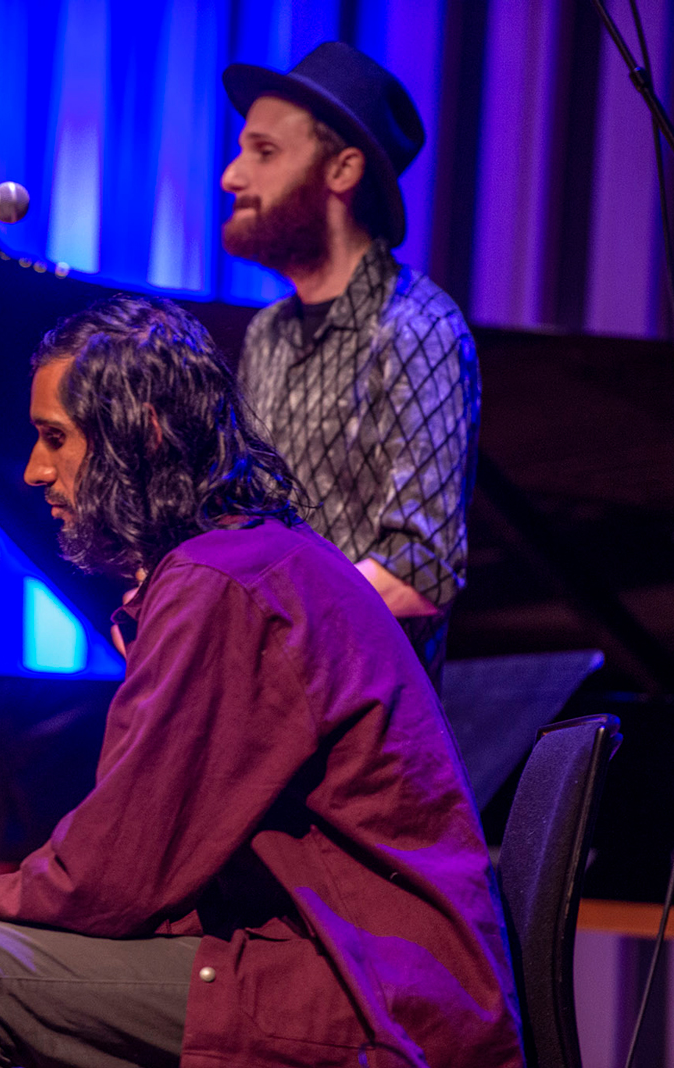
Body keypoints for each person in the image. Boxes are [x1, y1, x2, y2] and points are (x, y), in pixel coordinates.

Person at [0, 297, 523, 1067]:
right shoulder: (244, 564)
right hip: (344, 970)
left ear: (140, 431)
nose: (33, 470)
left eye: (55, 438)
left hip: (368, 994)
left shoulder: (224, 585)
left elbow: (119, 867)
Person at [222, 41, 479, 683]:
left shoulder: (417, 328)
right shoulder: (267, 334)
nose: (232, 175)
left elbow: (420, 571)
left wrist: (263, 617)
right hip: (272, 700)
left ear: (342, 170)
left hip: (367, 732)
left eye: (265, 152)